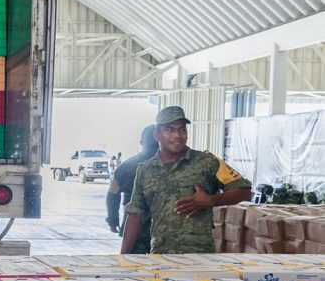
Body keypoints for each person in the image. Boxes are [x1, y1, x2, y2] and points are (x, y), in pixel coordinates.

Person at [121, 106, 253, 254]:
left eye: (182, 129)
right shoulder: (145, 170)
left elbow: (244, 191)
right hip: (161, 255)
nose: (177, 135)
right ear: (157, 134)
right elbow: (134, 215)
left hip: (200, 257)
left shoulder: (208, 162)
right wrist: (123, 256)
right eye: (170, 129)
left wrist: (211, 200)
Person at [106, 125, 158, 253]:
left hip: (134, 225)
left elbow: (113, 195)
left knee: (134, 265)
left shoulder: (126, 166)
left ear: (141, 142)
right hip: (163, 227)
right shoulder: (171, 164)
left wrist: (113, 220)